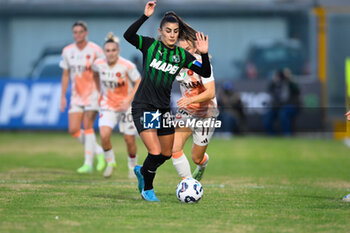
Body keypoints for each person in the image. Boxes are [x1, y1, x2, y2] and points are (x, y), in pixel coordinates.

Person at [123, 0, 211, 201]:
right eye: (168, 31)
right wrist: (145, 16)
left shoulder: (182, 55)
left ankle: (142, 170)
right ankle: (148, 188)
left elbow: (204, 71)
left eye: (175, 31)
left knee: (165, 153)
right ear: (161, 31)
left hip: (163, 109)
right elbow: (128, 36)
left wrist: (204, 54)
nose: (172, 34)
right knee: (154, 151)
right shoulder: (150, 46)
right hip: (144, 106)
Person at [92, 32, 141, 178]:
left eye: (113, 50)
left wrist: (129, 99)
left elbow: (139, 81)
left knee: (129, 139)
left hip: (126, 107)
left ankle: (132, 166)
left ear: (118, 51)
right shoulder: (98, 64)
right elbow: (94, 75)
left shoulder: (127, 66)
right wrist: (98, 92)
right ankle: (110, 163)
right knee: (104, 135)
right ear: (104, 52)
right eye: (108, 50)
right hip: (108, 105)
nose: (111, 53)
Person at [59, 21, 106, 173]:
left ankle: (88, 163)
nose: (78, 35)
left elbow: (102, 73)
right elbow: (66, 74)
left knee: (87, 126)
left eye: (80, 32)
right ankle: (98, 151)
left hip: (92, 93)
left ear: (86, 33)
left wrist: (101, 94)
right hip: (76, 95)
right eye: (75, 32)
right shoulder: (67, 51)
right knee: (73, 129)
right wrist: (62, 96)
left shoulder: (95, 50)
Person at [171, 34, 219, 181]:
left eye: (188, 49)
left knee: (196, 158)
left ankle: (202, 165)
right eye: (181, 49)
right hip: (187, 110)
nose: (185, 53)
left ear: (195, 49)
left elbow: (211, 93)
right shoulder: (174, 63)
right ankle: (188, 183)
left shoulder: (202, 65)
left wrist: (190, 99)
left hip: (206, 112)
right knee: (174, 148)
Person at [264, 68, 300, 136]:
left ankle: (286, 135)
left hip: (290, 105)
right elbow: (269, 88)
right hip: (277, 106)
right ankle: (271, 135)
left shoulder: (291, 82)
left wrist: (289, 79)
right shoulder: (276, 83)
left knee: (283, 113)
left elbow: (297, 90)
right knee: (268, 115)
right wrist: (274, 81)